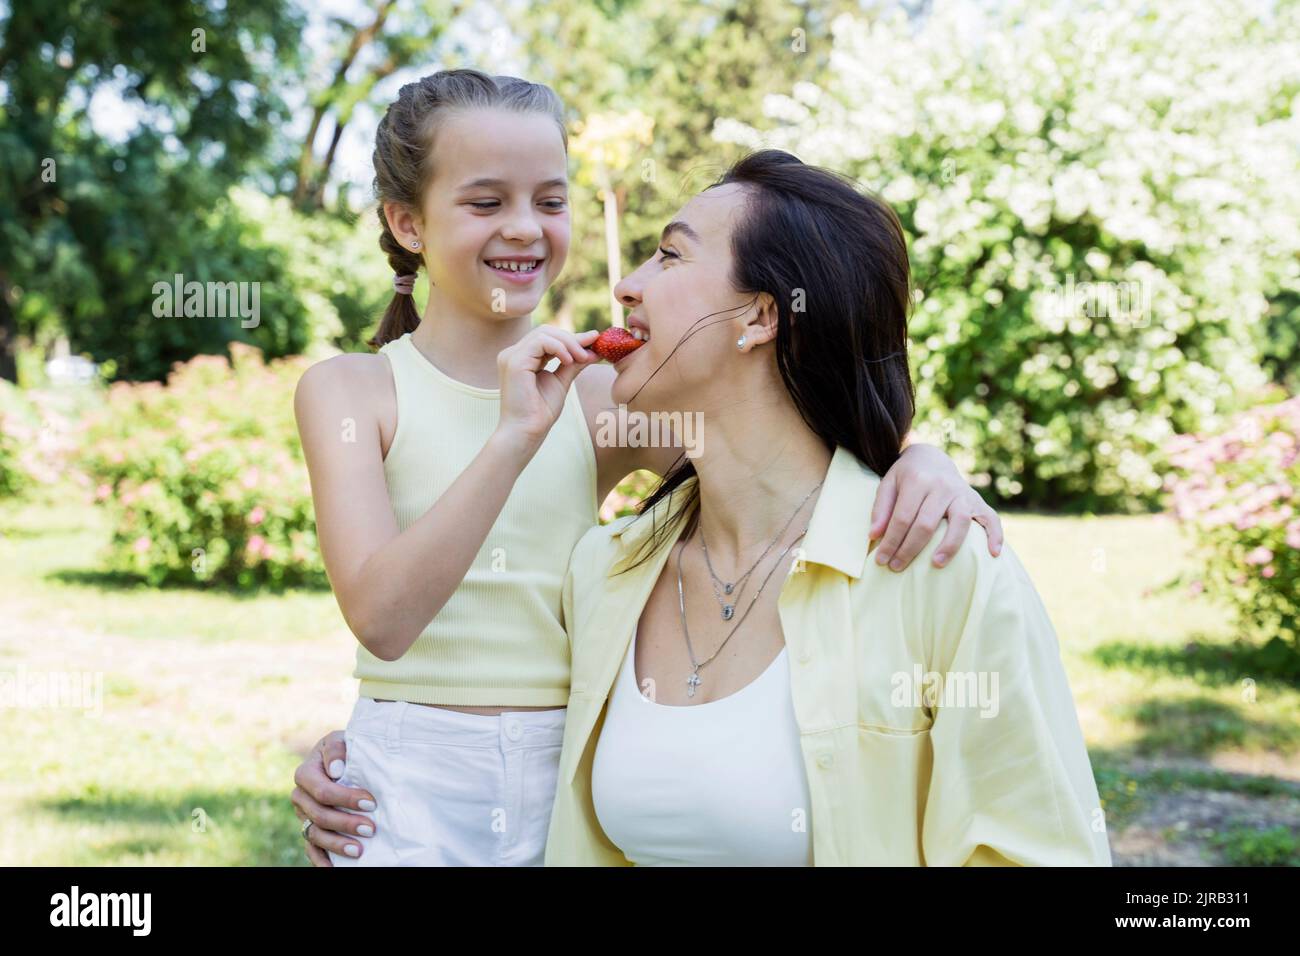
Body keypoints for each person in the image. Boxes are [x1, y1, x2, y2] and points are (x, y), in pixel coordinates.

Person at [290, 68, 1004, 866]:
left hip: (573, 754)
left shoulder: (605, 394)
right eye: (486, 203)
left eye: (550, 201)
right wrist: (515, 436)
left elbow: (781, 453)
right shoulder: (353, 390)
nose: (525, 228)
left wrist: (922, 459)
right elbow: (384, 620)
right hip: (406, 774)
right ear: (408, 223)